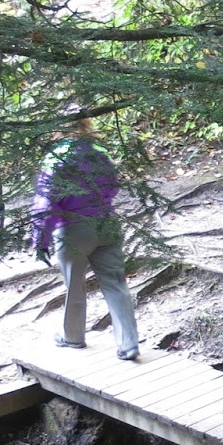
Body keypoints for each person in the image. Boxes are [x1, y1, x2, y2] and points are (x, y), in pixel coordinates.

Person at [29, 118, 140, 361]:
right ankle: (129, 343)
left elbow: (46, 202)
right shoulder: (99, 151)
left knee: (74, 285)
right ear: (85, 124)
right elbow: (113, 185)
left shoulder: (55, 156)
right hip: (107, 224)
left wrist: (41, 241)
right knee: (116, 283)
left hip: (73, 230)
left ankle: (73, 337)